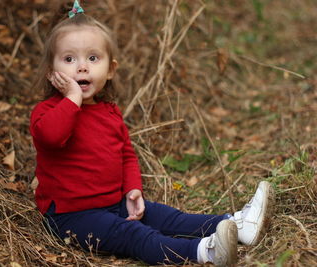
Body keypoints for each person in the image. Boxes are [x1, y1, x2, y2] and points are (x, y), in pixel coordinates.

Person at [29, 1, 275, 266]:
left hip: (115, 204)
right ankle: (204, 252)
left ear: (110, 69)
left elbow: (125, 155)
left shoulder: (109, 112)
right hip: (72, 216)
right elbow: (52, 137)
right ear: (51, 72)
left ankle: (237, 224)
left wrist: (133, 189)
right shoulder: (47, 111)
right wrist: (73, 98)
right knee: (136, 235)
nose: (81, 67)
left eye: (92, 58)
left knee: (169, 218)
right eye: (69, 59)